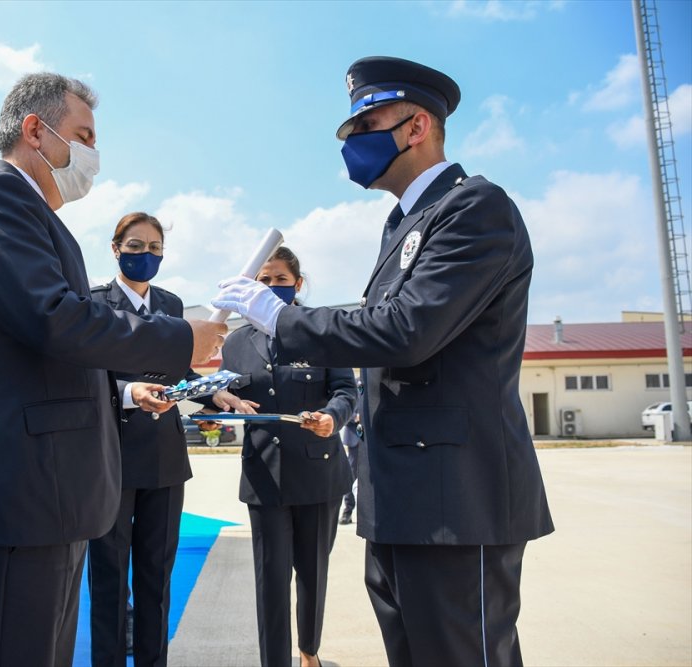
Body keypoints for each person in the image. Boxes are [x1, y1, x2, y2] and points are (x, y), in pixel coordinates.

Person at [212, 56, 555, 667]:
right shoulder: (404, 224)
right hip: (402, 499)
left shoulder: (475, 208)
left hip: (457, 500)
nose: (352, 142)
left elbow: (405, 331)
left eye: (366, 126)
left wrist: (279, 316)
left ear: (416, 126)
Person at [0, 72, 226, 667]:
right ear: (34, 130)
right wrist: (179, 339)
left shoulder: (34, 213)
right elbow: (56, 321)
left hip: (46, 493)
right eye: (84, 136)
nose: (93, 153)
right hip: (12, 491)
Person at [87, 212, 228, 667]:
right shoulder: (92, 303)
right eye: (135, 246)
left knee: (156, 577)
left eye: (154, 248)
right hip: (111, 457)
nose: (144, 255)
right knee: (110, 576)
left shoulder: (170, 303)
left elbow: (178, 370)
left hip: (164, 459)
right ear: (115, 248)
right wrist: (131, 392)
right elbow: (86, 377)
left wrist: (212, 391)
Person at [206, 246, 356, 667]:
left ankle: (309, 652)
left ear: (298, 283)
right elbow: (224, 394)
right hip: (264, 476)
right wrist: (218, 402)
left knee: (312, 573)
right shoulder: (237, 342)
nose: (272, 287)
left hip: (318, 473)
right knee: (270, 579)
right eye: (264, 280)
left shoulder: (320, 330)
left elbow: (346, 390)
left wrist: (332, 417)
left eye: (281, 280)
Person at [339, 384, 363, 525]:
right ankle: (347, 511)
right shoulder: (352, 383)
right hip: (354, 438)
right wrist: (355, 417)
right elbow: (343, 408)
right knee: (351, 475)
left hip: (371, 438)